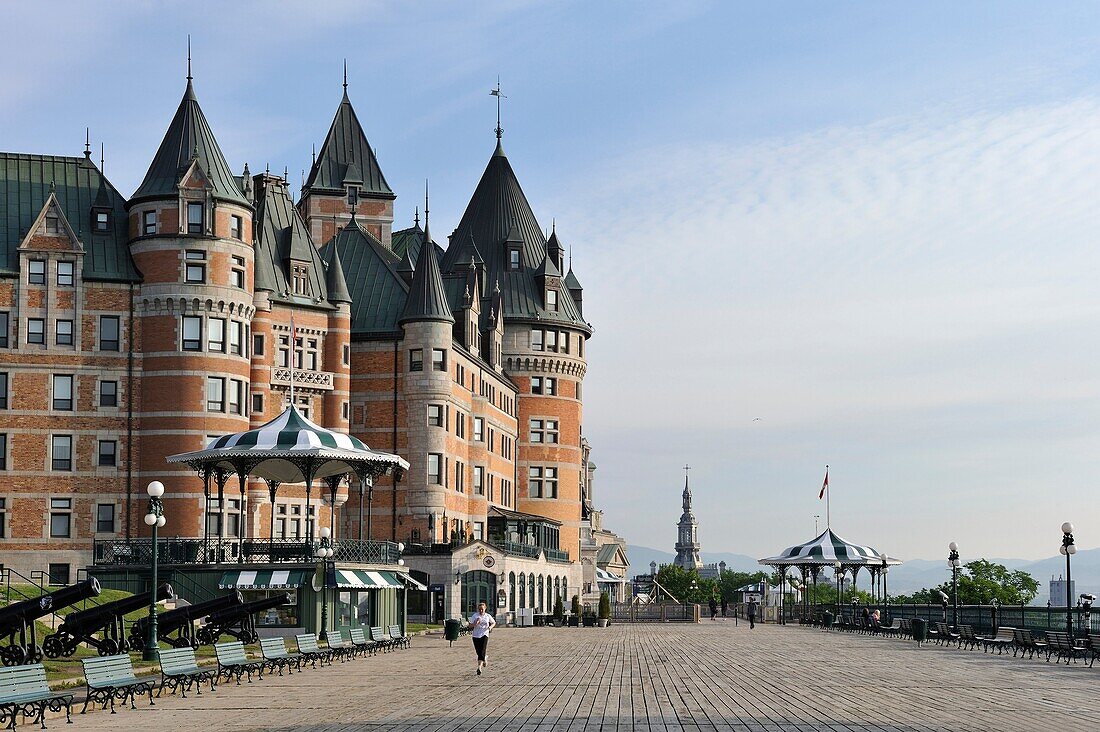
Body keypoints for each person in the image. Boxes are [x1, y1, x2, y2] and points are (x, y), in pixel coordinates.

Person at [467, 601, 496, 676]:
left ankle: (479, 668)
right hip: (476, 635)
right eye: (479, 609)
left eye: (482, 609)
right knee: (478, 651)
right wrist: (474, 624)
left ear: (485, 609)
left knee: (482, 650)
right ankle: (484, 659)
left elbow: (493, 622)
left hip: (484, 634)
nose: (481, 611)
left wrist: (490, 628)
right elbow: (469, 625)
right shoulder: (475, 616)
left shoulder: (487, 616)